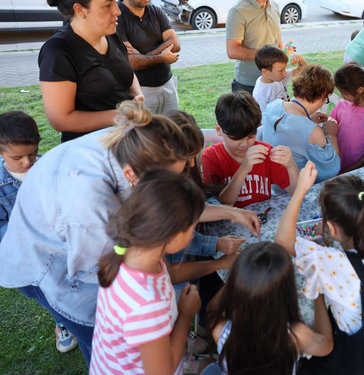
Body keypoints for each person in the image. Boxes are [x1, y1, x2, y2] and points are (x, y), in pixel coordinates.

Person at [0, 101, 261, 366]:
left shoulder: (134, 146)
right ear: (133, 176)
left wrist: (231, 214)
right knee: (97, 334)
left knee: (115, 345)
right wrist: (182, 317)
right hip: (44, 264)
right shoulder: (91, 211)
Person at [274, 163, 364, 374]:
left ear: (330, 228)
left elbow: (282, 240)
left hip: (348, 364)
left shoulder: (333, 262)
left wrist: (300, 189)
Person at [89, 170, 207, 374]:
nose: (193, 233)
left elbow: (169, 274)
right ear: (172, 237)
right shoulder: (147, 305)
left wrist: (221, 263)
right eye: (193, 227)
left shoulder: (133, 252)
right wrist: (186, 314)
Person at [0, 111, 79, 354]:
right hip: (29, 254)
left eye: (32, 154)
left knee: (71, 281)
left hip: (63, 242)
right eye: (17, 157)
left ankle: (79, 311)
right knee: (49, 290)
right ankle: (62, 321)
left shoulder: (50, 167)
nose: (27, 162)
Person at [203, 242, 334, 375]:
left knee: (206, 365)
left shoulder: (220, 330)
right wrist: (318, 293)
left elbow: (211, 310)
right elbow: (326, 345)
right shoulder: (296, 335)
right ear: (288, 291)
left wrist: (238, 280)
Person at [40, 0, 144, 143]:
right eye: (107, 6)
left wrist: (138, 94)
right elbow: (60, 119)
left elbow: (127, 73)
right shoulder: (58, 50)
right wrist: (120, 115)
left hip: (125, 141)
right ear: (80, 9)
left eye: (115, 2)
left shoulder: (112, 36)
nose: (117, 11)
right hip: (91, 149)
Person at [202, 92, 299, 207]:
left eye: (251, 136)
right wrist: (244, 169)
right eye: (236, 139)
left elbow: (296, 193)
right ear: (219, 130)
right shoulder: (212, 156)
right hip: (229, 222)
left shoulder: (265, 152)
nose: (244, 144)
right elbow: (221, 206)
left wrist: (291, 166)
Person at [258, 64, 341, 182]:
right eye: (326, 98)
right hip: (292, 189)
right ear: (322, 94)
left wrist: (308, 120)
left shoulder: (273, 105)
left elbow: (290, 128)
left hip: (267, 182)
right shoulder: (313, 132)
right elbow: (331, 170)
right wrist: (332, 135)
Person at [117, 0, 181, 115]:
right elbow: (130, 62)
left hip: (168, 85)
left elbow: (175, 44)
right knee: (144, 132)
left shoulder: (155, 10)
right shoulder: (117, 16)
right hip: (140, 91)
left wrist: (142, 56)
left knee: (172, 130)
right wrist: (161, 57)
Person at [331, 63, 364, 173]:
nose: (342, 96)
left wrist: (353, 168)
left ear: (360, 89)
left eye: (345, 93)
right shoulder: (342, 104)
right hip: (334, 163)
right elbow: (330, 125)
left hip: (356, 169)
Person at [226, 0, 282, 93]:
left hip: (274, 81)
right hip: (249, 85)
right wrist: (268, 55)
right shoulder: (237, 11)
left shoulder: (275, 6)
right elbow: (232, 51)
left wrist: (281, 58)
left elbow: (277, 38)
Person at [253, 45, 307, 111]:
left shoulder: (278, 77)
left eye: (284, 69)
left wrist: (301, 61)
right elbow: (263, 118)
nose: (284, 73)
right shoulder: (261, 94)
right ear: (266, 72)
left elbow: (301, 70)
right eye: (281, 70)